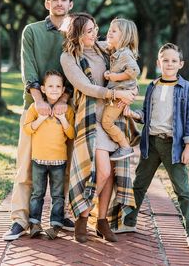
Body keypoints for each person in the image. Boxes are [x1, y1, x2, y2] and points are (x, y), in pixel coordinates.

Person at [3, 0, 75, 241]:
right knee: (25, 167)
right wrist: (38, 99)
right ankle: (20, 220)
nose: (58, 3)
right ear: (47, 4)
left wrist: (63, 99)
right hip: (34, 107)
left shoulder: (73, 34)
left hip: (65, 108)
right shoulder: (31, 31)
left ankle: (59, 215)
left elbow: (75, 69)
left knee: (64, 166)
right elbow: (28, 66)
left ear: (70, 5)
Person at [60, 13, 136, 243]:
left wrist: (131, 90)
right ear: (77, 34)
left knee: (112, 173)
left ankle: (102, 221)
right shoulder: (69, 57)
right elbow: (84, 86)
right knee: (101, 171)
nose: (95, 34)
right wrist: (115, 93)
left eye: (95, 29)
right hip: (92, 120)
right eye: (89, 31)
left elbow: (125, 52)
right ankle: (83, 216)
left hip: (114, 118)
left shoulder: (104, 49)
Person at [121, 43, 189, 249]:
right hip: (151, 143)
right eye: (165, 60)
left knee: (182, 190)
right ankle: (128, 222)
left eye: (174, 61)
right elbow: (147, 113)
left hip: (173, 145)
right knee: (139, 184)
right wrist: (135, 114)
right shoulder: (153, 86)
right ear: (158, 62)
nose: (169, 64)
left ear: (181, 64)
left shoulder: (186, 88)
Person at [24, 70, 74, 239]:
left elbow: (71, 134)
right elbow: (27, 128)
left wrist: (63, 119)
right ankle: (35, 223)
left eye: (58, 86)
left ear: (63, 90)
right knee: (37, 193)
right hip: (38, 160)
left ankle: (56, 225)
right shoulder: (35, 108)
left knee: (57, 195)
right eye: (50, 86)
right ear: (43, 89)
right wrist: (40, 119)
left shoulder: (66, 110)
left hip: (59, 161)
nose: (54, 89)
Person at [102, 18, 140, 161]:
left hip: (120, 94)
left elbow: (135, 70)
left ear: (124, 36)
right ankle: (135, 133)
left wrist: (115, 77)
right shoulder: (116, 51)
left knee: (106, 122)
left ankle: (125, 146)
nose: (109, 33)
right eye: (109, 30)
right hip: (121, 92)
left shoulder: (124, 54)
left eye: (114, 31)